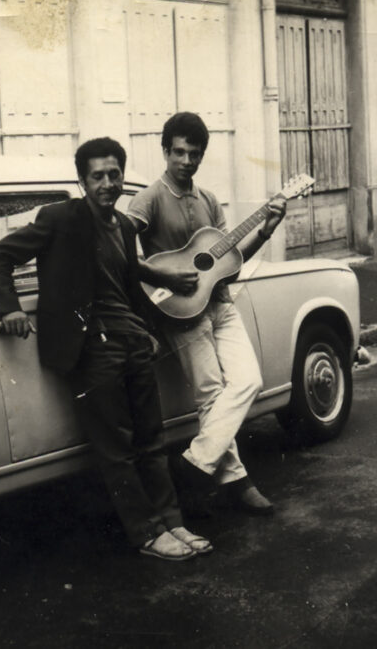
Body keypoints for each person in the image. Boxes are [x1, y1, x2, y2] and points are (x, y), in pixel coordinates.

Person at [0, 137, 211, 561]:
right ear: (82, 181)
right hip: (92, 348)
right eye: (97, 177)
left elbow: (128, 286)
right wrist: (9, 307)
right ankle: (148, 533)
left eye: (114, 175)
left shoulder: (124, 226)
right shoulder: (59, 218)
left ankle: (173, 522)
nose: (107, 184)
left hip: (132, 343)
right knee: (117, 448)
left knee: (152, 440)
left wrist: (145, 329)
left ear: (122, 177)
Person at [127, 112, 287, 516]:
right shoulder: (149, 198)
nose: (186, 161)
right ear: (165, 151)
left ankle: (195, 461)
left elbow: (230, 261)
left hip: (219, 303)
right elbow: (119, 246)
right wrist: (160, 273)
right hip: (180, 311)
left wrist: (266, 228)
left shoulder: (209, 200)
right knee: (211, 393)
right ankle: (239, 483)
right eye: (179, 152)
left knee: (248, 380)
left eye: (194, 154)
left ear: (202, 156)